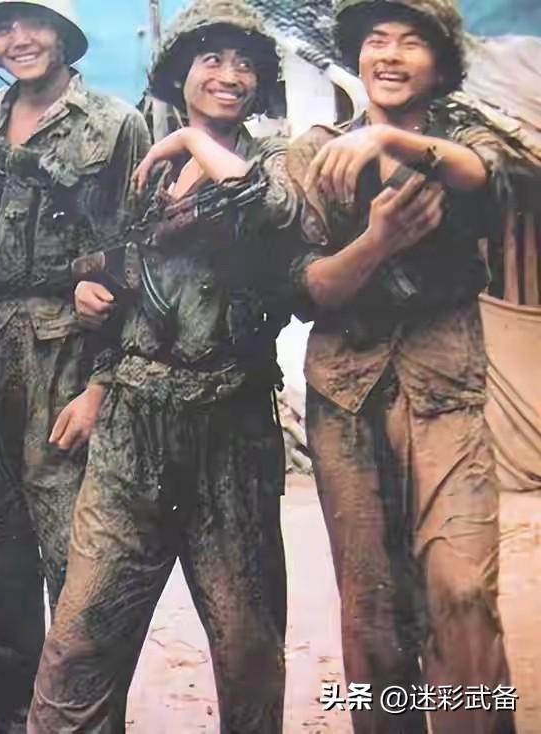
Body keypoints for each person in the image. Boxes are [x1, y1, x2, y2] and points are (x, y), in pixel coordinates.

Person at [27, 0, 293, 730]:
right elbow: (116, 283)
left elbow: (273, 211)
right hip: (131, 431)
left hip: (231, 425)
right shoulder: (144, 173)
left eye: (245, 65)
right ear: (180, 72)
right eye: (211, 59)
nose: (229, 76)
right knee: (78, 642)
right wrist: (93, 322)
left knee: (246, 645)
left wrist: (194, 141)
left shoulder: (278, 159)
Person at [278, 0, 518, 731]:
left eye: (410, 43)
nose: (388, 55)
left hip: (444, 389)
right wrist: (376, 243)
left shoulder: (464, 138)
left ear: (439, 66)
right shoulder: (313, 152)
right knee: (372, 617)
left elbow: (484, 176)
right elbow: (306, 289)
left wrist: (390, 139)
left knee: (461, 590)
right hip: (345, 396)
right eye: (375, 40)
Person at [0, 1, 150, 729]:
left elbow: (142, 256)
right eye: (2, 27)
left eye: (33, 22)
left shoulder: (116, 124)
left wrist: (102, 386)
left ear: (63, 33)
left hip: (69, 361)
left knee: (80, 575)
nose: (18, 39)